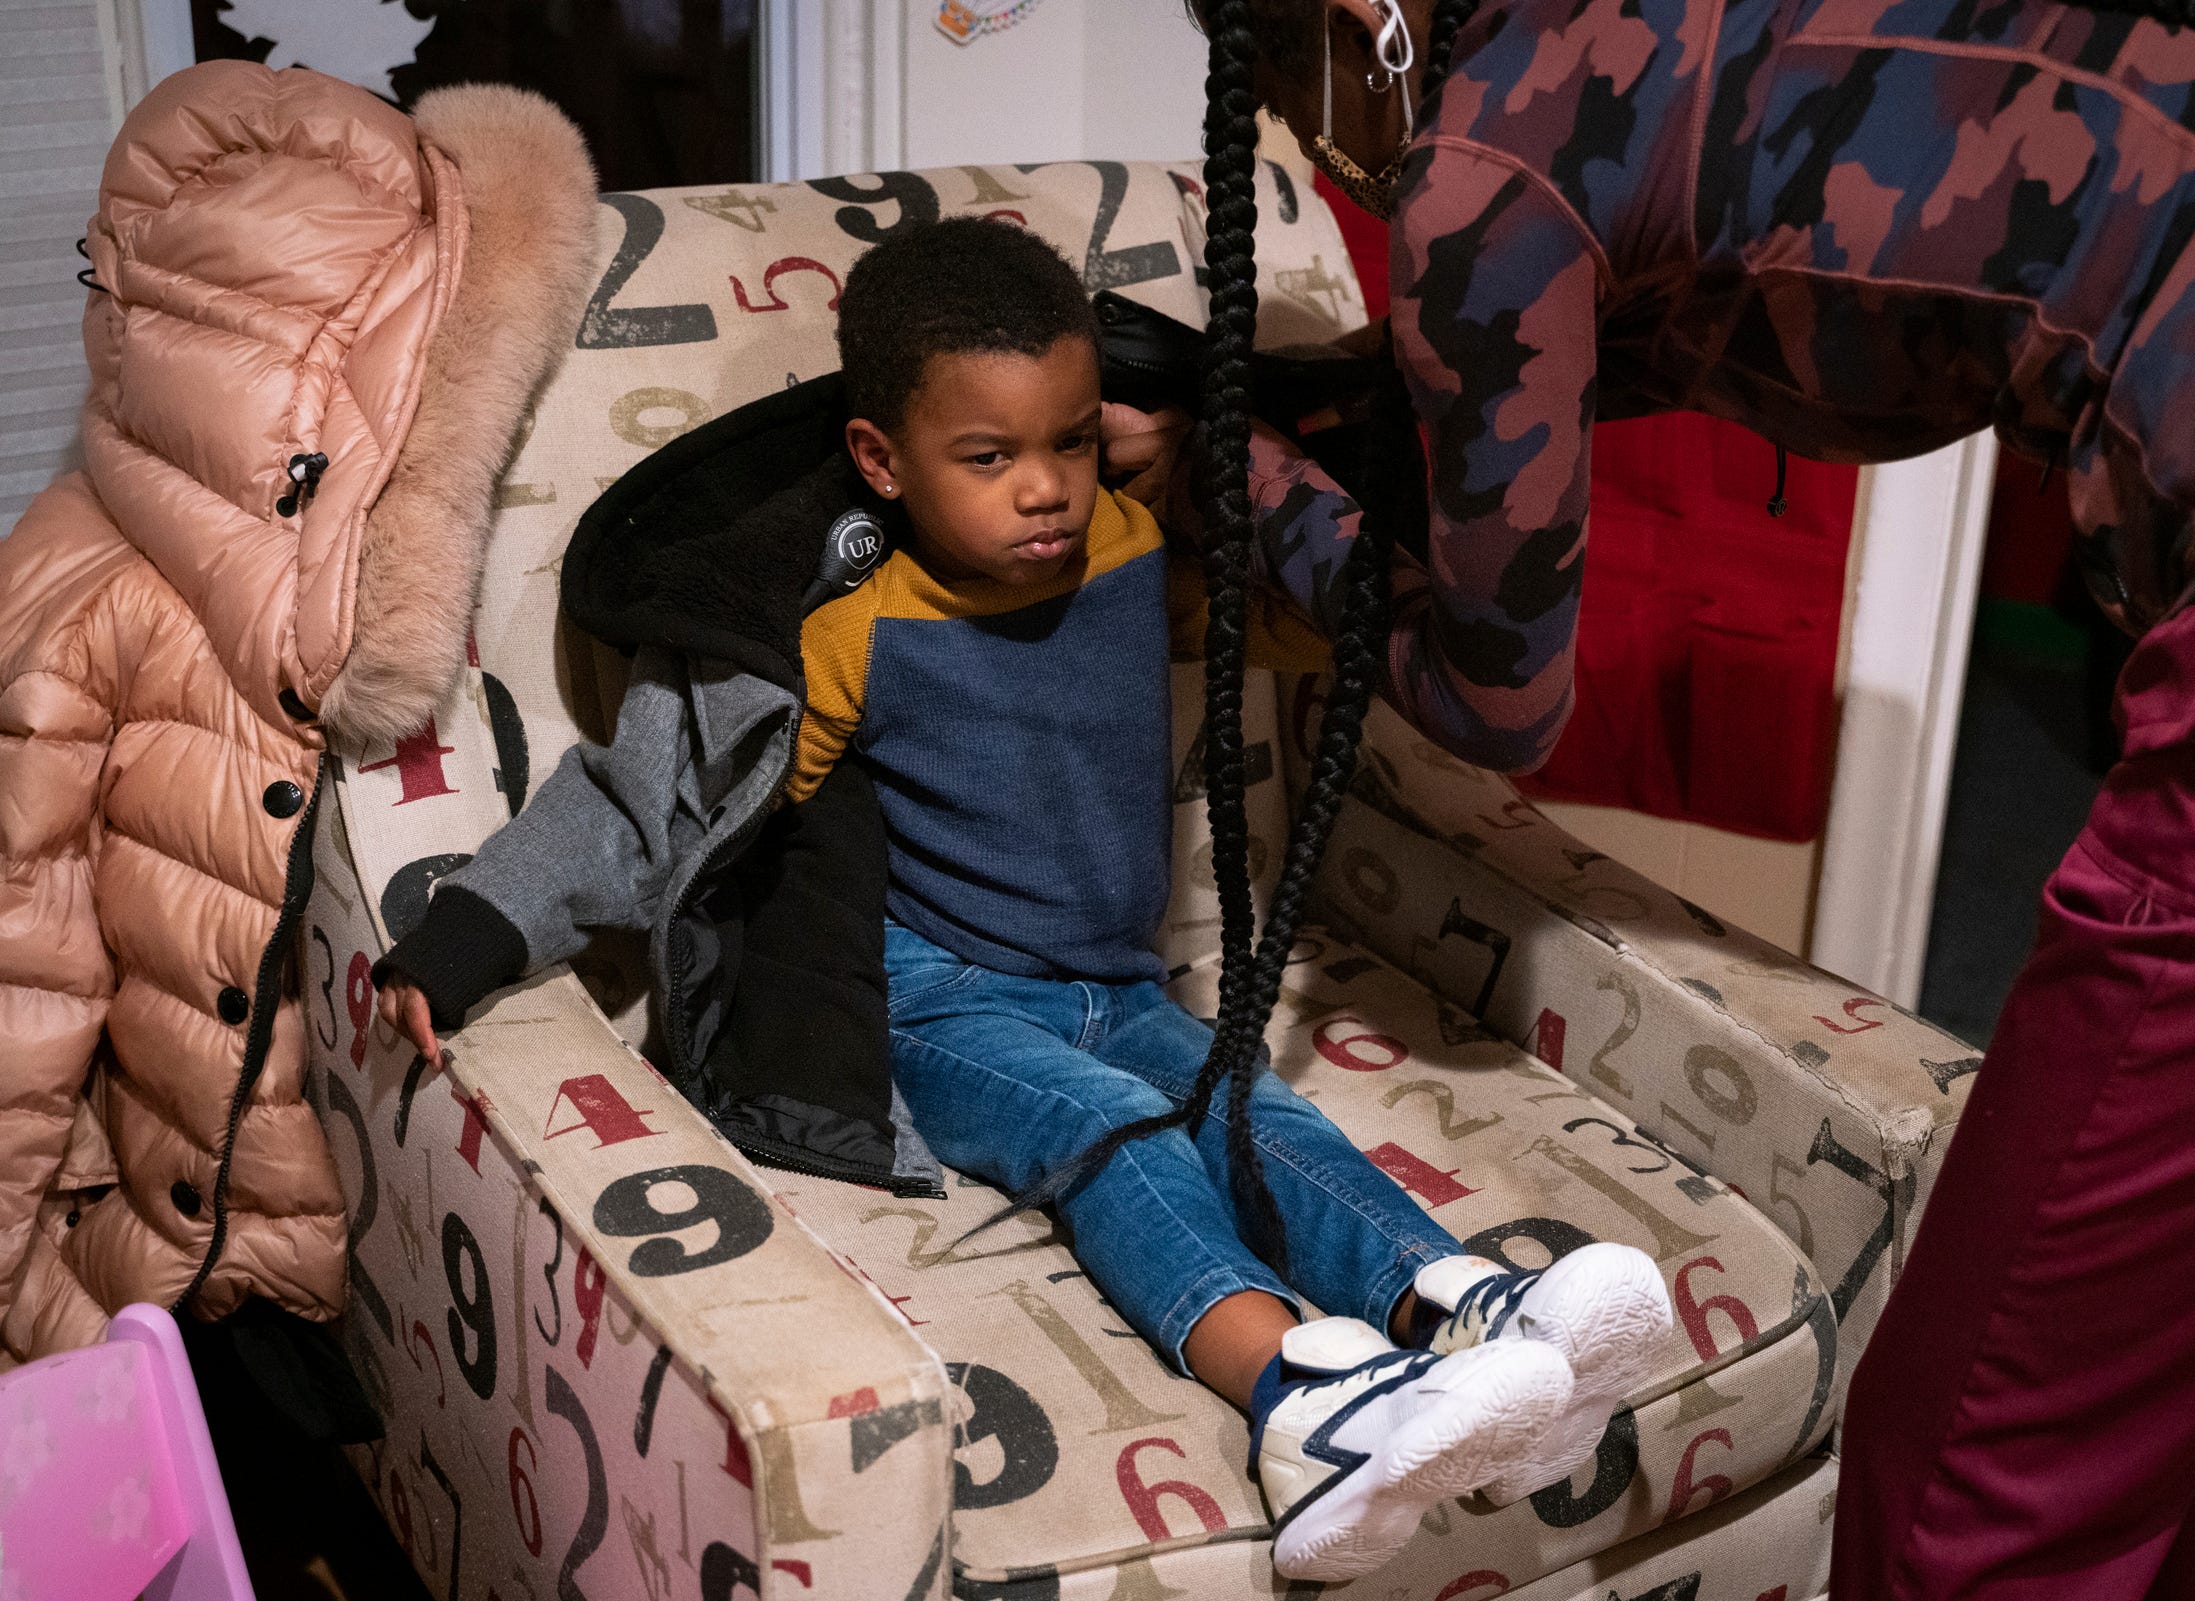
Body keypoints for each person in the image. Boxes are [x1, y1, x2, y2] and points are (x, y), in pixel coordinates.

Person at [1112, 2, 2195, 1596]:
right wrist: (1322, 399)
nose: (1300, 133)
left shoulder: (1487, 153)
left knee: (1968, 1465)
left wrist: (1221, 477)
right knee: (2174, 1386)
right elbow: (1737, 296)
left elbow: (1493, 695)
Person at [372, 216, 1672, 1582]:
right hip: (933, 996)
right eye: (987, 459)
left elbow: (1334, 614)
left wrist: (1234, 483)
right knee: (1109, 1128)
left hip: (1121, 983)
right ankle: (1302, 1403)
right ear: (882, 460)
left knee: (1250, 1102)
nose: (1042, 488)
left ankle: (1461, 1307)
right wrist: (466, 932)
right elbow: (654, 796)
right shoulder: (839, 617)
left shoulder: (1130, 545)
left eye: (1066, 437)